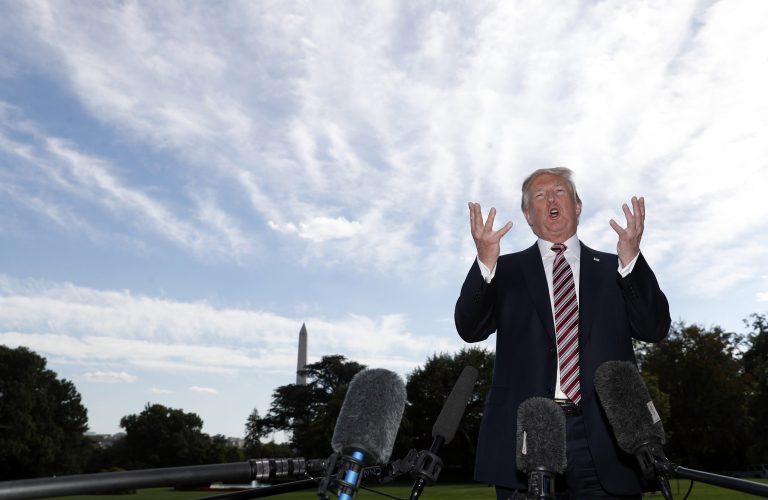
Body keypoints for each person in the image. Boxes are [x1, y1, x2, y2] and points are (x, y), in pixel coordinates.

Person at [455, 167, 670, 499]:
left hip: (607, 437)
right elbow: (470, 329)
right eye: (539, 196)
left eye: (559, 191)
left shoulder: (617, 267)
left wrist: (631, 261)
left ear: (577, 205)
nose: (551, 199)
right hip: (529, 435)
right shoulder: (505, 271)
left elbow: (654, 328)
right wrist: (484, 263)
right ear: (528, 215)